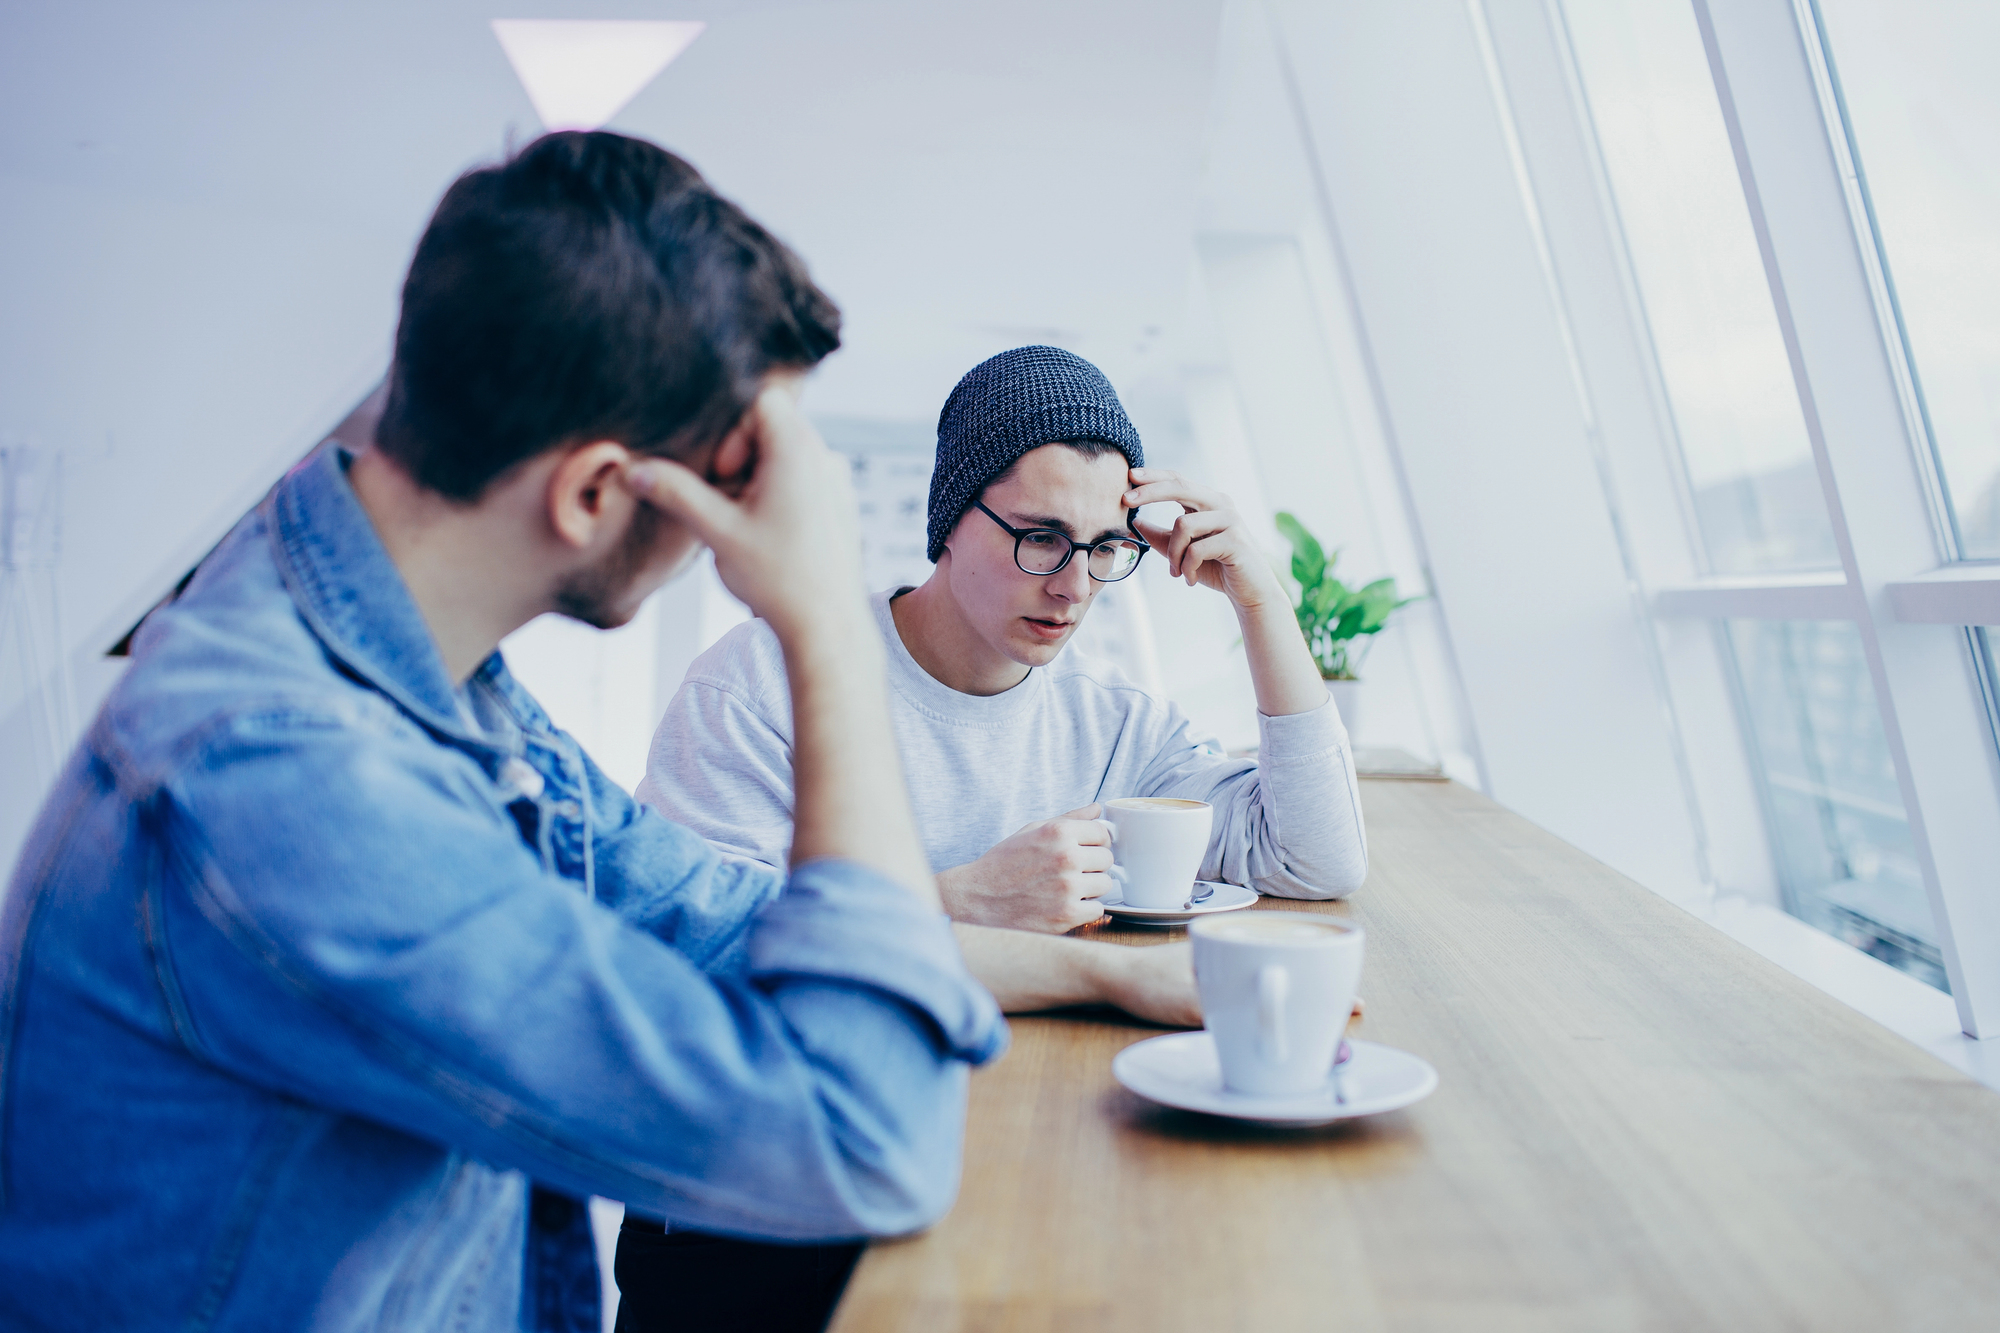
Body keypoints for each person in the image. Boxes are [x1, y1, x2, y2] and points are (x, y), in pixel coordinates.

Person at [0, 131, 1009, 1333]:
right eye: (743, 477)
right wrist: (829, 618)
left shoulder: (425, 682)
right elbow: (864, 1138)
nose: (759, 522)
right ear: (596, 492)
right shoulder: (288, 775)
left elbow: (733, 925)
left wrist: (1117, 972)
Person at [641, 345, 1367, 937]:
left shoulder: (1116, 724)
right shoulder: (759, 683)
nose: (1075, 585)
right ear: (951, 519)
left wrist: (1261, 598)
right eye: (1042, 537)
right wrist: (961, 898)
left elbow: (1315, 859)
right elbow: (688, 929)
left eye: (1105, 547)